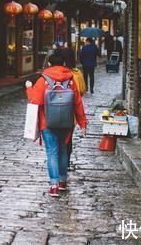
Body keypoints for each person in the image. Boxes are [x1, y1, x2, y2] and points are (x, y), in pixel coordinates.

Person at [26, 51, 87, 197]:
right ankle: (62, 182)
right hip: (66, 122)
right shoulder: (71, 79)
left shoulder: (44, 79)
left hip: (48, 122)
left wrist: (29, 87)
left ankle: (53, 185)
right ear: (64, 64)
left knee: (52, 152)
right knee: (63, 150)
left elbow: (35, 100)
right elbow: (78, 102)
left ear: (49, 64)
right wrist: (82, 123)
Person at [59, 46, 86, 170]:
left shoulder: (56, 72)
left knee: (56, 138)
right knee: (68, 139)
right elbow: (81, 91)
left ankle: (57, 161)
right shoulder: (76, 73)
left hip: (54, 112)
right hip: (71, 113)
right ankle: (66, 161)